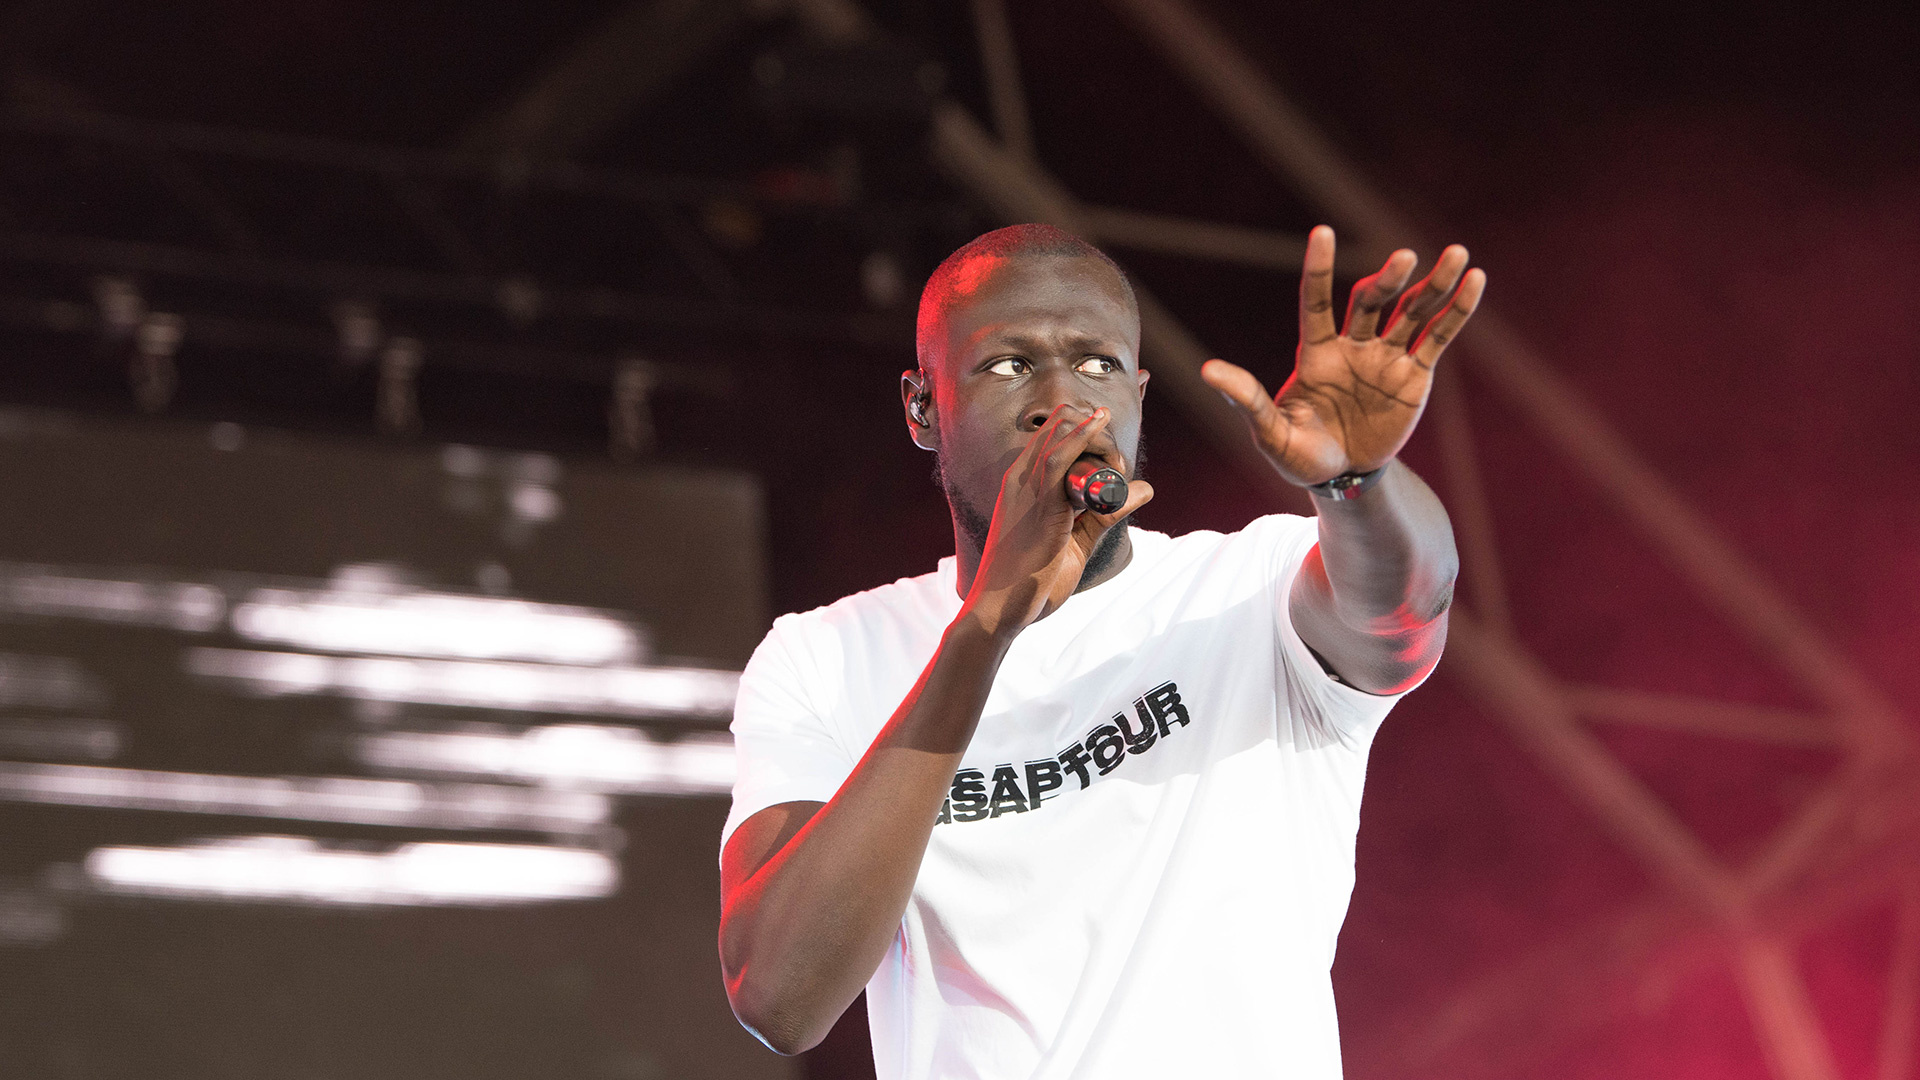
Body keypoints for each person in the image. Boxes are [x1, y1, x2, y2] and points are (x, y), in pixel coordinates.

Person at [718, 222, 1483, 1079]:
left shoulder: (1251, 587)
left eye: (1097, 365)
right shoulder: (822, 658)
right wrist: (988, 628)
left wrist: (1356, 482)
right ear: (923, 408)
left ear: (1137, 397)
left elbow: (1410, 607)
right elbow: (780, 998)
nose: (1061, 400)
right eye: (1008, 365)